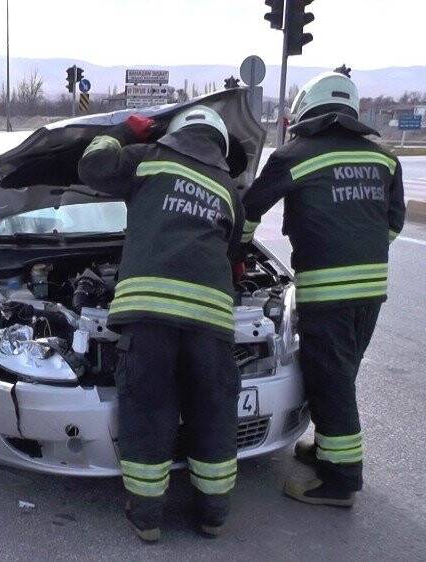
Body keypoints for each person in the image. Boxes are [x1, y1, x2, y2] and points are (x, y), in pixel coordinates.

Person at [77, 106, 243, 542]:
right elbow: (234, 249)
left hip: (148, 313)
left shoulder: (147, 157)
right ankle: (214, 515)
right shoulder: (228, 187)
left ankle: (147, 517)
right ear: (219, 144)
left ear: (174, 134)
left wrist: (120, 131)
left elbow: (93, 167)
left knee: (149, 408)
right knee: (213, 410)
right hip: (211, 318)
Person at [242, 69, 405, 508]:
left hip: (325, 291)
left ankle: (340, 481)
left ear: (305, 109)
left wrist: (233, 258)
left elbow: (249, 213)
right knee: (341, 372)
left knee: (329, 378)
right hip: (371, 291)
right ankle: (327, 446)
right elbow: (393, 225)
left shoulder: (294, 154)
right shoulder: (385, 157)